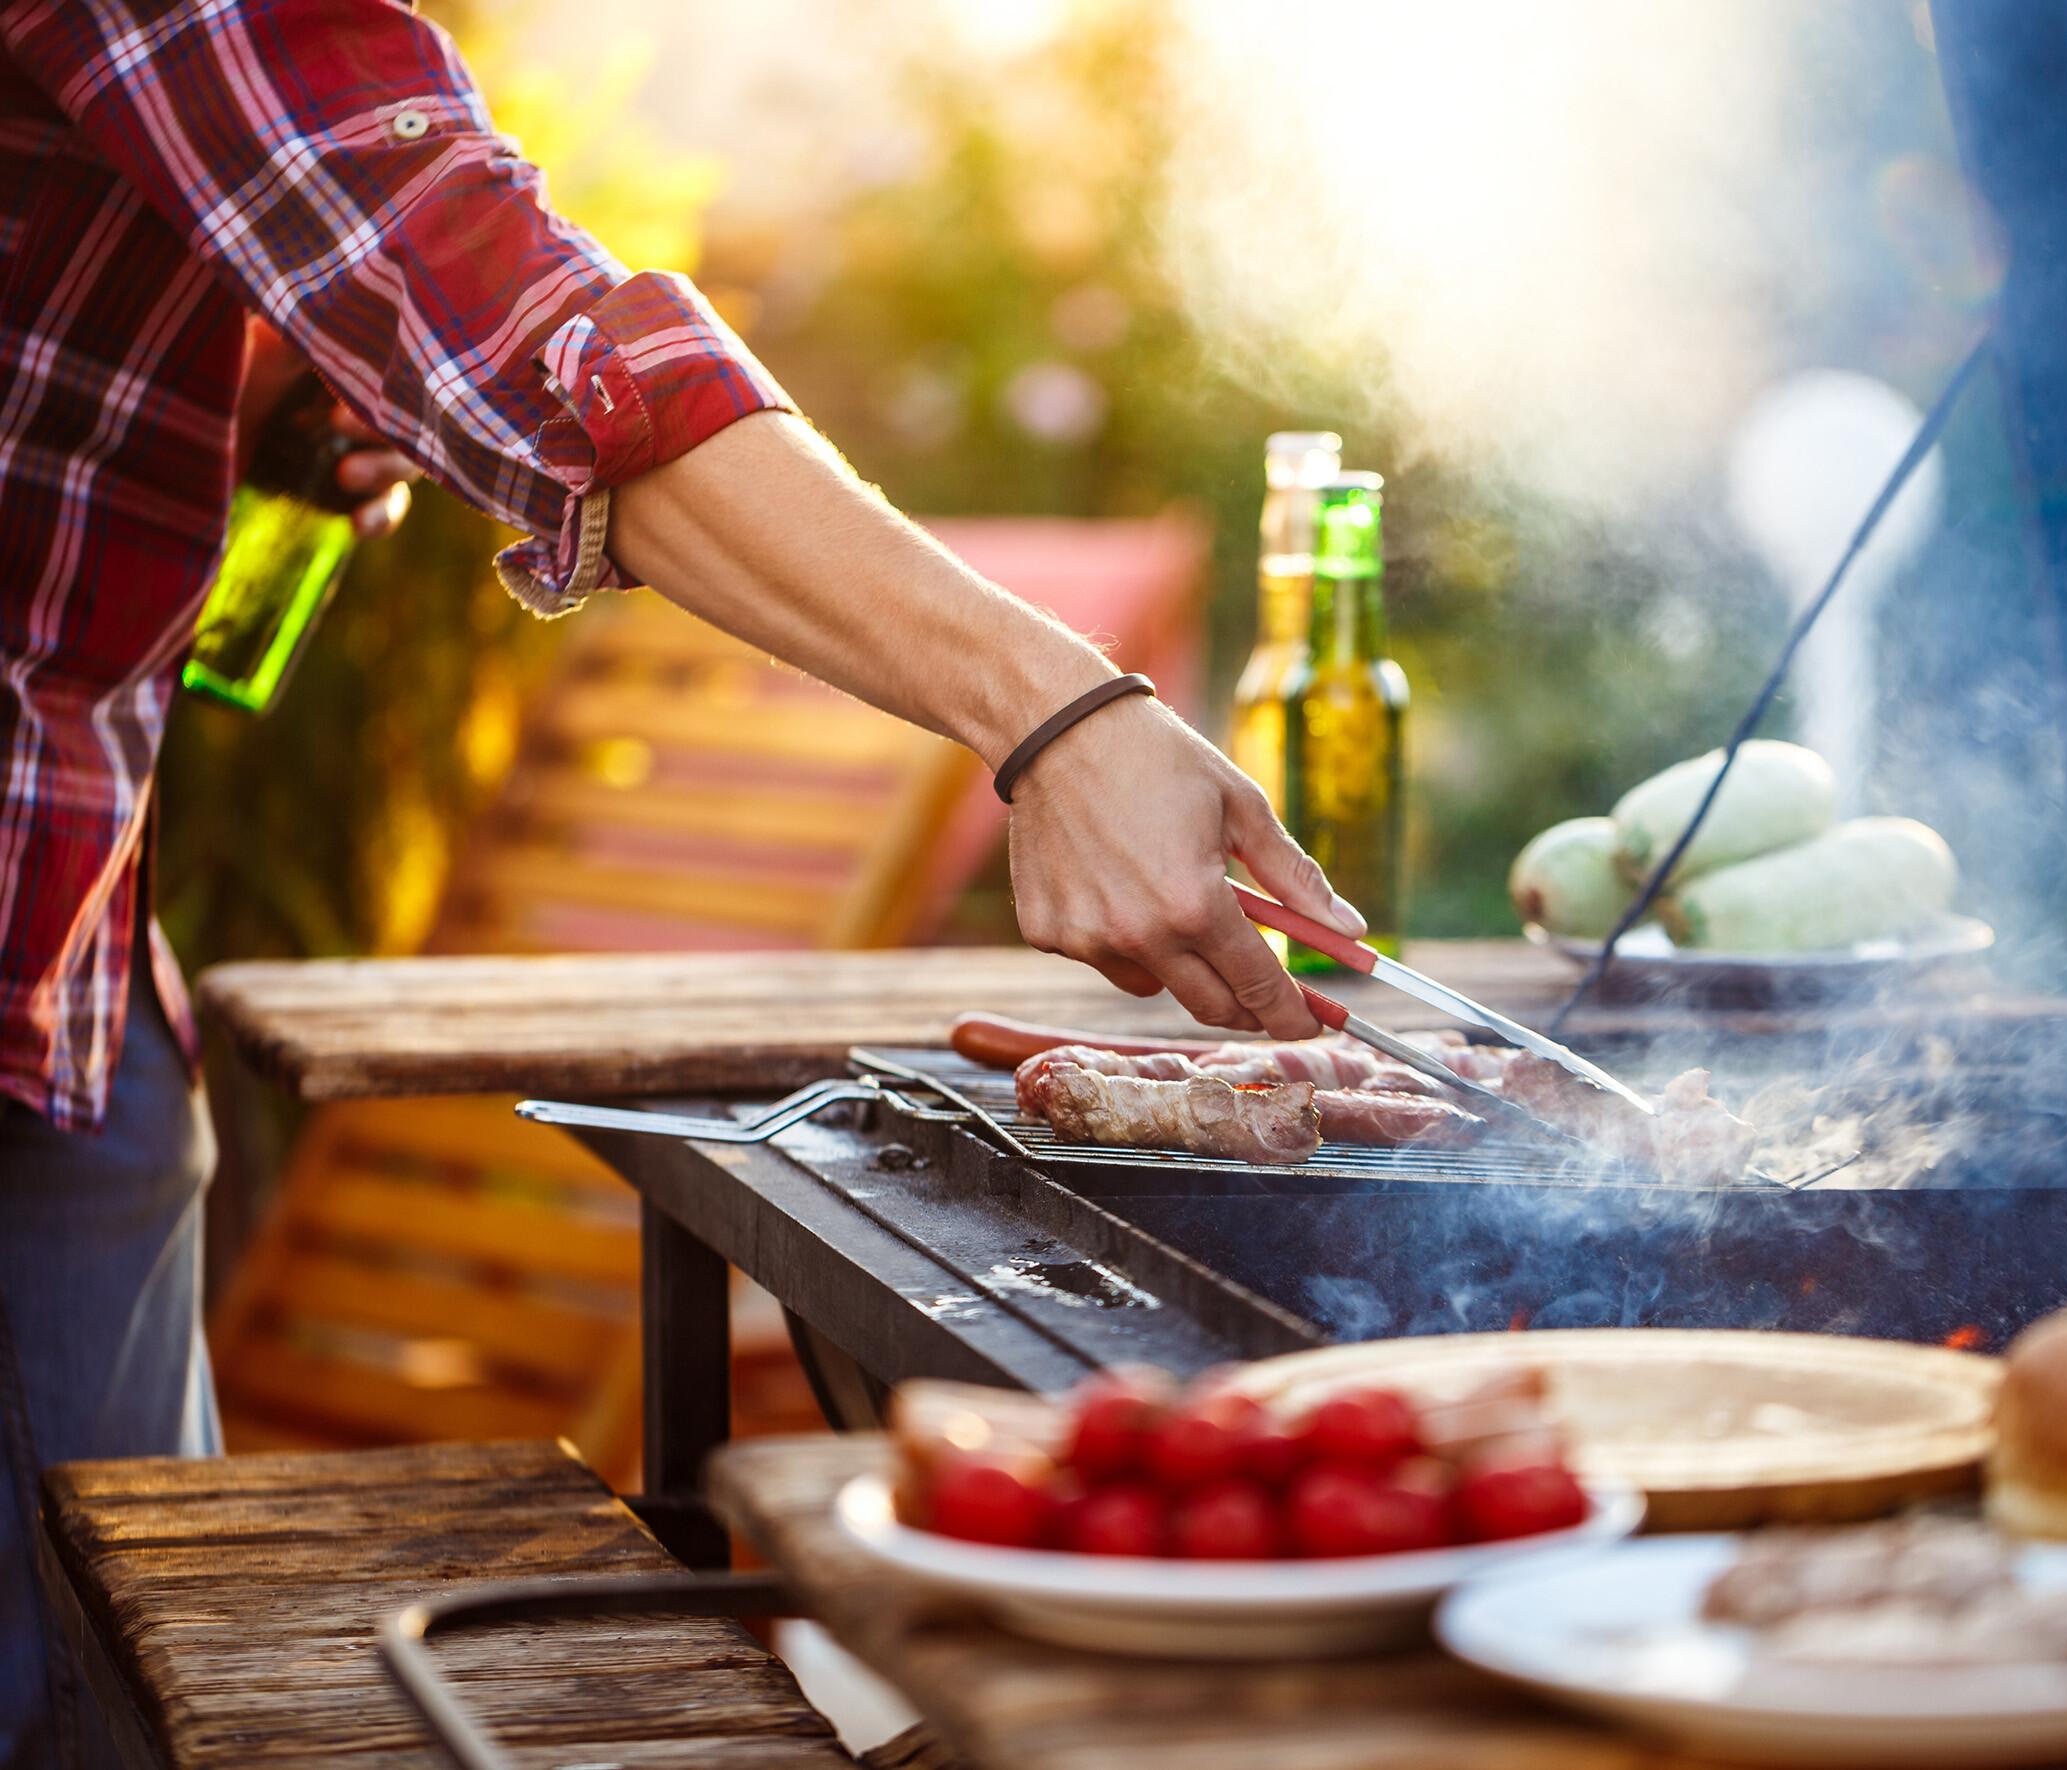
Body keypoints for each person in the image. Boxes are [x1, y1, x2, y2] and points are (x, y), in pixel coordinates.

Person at [0, 2, 1358, 1762]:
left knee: (116, 1665)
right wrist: (1059, 712)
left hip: (75, 917)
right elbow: (521, 314)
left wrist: (249, 389)